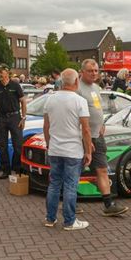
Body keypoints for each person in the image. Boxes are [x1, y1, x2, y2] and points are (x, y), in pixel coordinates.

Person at [78, 60, 129, 217]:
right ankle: (70, 203)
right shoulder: (77, 89)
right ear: (82, 72)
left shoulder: (97, 88)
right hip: (82, 137)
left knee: (101, 169)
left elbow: (98, 109)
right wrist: (83, 136)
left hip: (97, 136)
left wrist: (101, 123)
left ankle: (109, 204)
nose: (94, 73)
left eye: (96, 70)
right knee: (75, 171)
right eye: (90, 70)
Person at [43, 69, 92, 231]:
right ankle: (70, 221)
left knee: (54, 184)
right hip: (73, 150)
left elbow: (46, 126)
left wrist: (49, 144)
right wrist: (88, 151)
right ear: (76, 82)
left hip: (55, 149)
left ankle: (50, 218)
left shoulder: (50, 99)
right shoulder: (80, 101)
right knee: (71, 186)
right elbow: (85, 130)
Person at [0, 64, 27, 179]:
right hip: (1, 118)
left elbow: (23, 102)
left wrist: (23, 118)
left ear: (7, 72)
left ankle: (17, 167)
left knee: (18, 145)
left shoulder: (15, 85)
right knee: (2, 145)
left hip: (15, 117)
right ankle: (6, 170)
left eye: (1, 72)